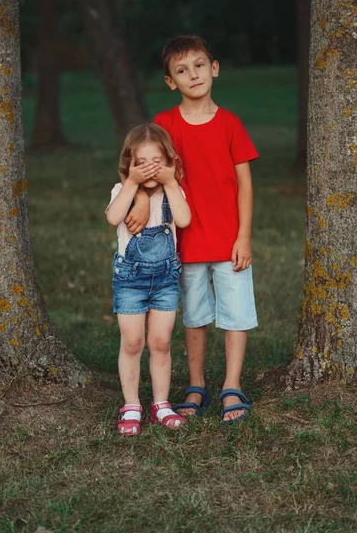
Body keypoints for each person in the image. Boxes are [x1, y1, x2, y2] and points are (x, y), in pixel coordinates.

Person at [127, 36, 259, 425]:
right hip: (181, 243)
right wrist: (138, 199)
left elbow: (245, 185)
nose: (193, 75)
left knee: (235, 314)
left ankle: (231, 385)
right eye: (182, 70)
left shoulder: (230, 123)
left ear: (214, 68)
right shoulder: (164, 125)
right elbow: (146, 171)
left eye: (199, 66)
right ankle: (197, 383)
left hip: (229, 239)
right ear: (171, 82)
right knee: (194, 315)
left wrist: (244, 236)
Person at [106, 123, 191, 436]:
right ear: (130, 165)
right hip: (130, 280)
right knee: (132, 342)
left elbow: (183, 219)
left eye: (157, 161)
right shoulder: (123, 191)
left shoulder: (173, 191)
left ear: (169, 162)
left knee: (161, 342)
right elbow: (113, 217)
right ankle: (131, 405)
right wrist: (132, 184)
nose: (149, 169)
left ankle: (161, 403)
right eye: (141, 163)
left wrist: (170, 183)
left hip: (165, 281)